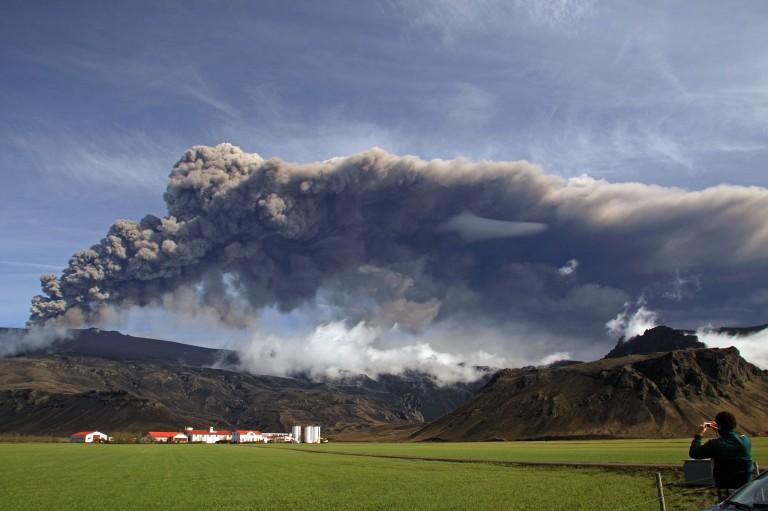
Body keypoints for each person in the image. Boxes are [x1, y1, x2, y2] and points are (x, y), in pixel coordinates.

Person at [689, 411, 753, 494]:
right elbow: (732, 438)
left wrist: (699, 434)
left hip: (728, 492)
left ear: (720, 426)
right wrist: (721, 430)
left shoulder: (714, 444)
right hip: (747, 491)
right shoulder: (746, 440)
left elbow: (694, 453)